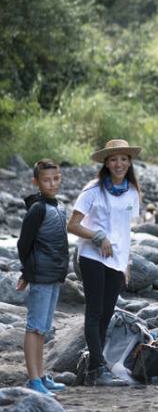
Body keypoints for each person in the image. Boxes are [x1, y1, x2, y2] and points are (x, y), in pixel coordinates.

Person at [67, 139, 141, 386]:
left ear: (129, 162)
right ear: (106, 163)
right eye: (113, 159)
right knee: (95, 311)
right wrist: (98, 237)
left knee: (107, 314)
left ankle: (93, 365)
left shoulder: (132, 191)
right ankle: (99, 367)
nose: (119, 164)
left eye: (123, 159)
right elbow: (73, 225)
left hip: (117, 260)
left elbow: (125, 230)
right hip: (92, 257)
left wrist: (127, 262)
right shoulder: (93, 190)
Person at [16, 159, 69, 398]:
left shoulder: (59, 207)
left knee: (43, 329)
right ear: (36, 182)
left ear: (59, 178)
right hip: (40, 275)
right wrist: (26, 274)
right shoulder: (37, 208)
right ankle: (33, 379)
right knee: (34, 327)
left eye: (55, 179)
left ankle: (42, 375)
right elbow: (23, 243)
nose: (51, 184)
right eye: (45, 180)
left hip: (54, 275)